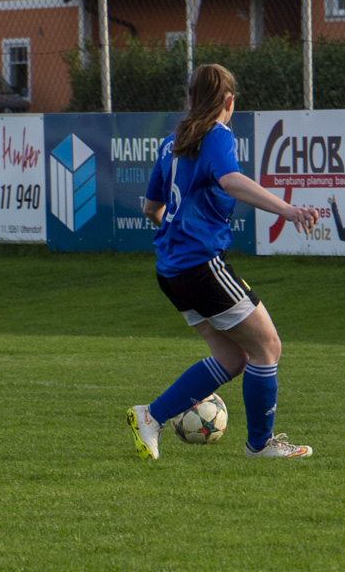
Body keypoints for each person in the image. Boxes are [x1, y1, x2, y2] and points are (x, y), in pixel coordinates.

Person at [126, 63, 318, 460]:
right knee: (268, 346)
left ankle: (151, 416)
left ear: (190, 99)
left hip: (171, 271)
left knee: (233, 358)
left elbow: (150, 208)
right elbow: (229, 179)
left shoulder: (171, 143)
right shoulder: (216, 134)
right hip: (200, 265)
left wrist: (177, 234)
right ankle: (260, 445)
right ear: (229, 101)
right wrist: (287, 209)